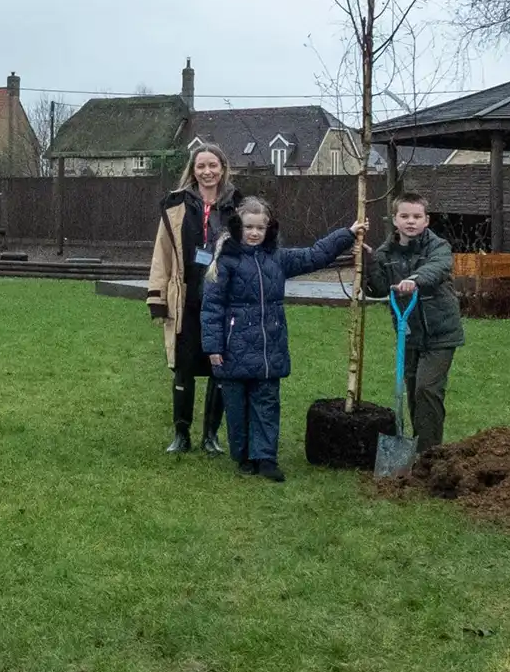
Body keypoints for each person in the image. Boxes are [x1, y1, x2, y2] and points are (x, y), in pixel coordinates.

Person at [201, 199, 365, 481]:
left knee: (266, 403)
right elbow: (212, 307)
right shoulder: (224, 261)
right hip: (233, 346)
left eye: (260, 228)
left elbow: (315, 255)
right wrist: (213, 346)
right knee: (237, 408)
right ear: (239, 227)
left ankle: (266, 457)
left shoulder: (278, 258)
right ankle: (242, 456)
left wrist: (347, 234)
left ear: (269, 229)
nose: (254, 233)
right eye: (249, 227)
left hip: (269, 347)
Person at [147, 144, 242, 454]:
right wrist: (157, 297)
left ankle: (211, 436)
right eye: (201, 166)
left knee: (220, 367)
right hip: (185, 299)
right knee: (183, 367)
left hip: (222, 301)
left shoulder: (239, 206)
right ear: (193, 170)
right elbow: (162, 254)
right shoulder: (175, 206)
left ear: (223, 168)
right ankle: (181, 434)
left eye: (213, 165)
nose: (207, 172)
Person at [362, 193, 462, 453]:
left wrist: (415, 279)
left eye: (417, 217)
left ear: (426, 220)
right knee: (414, 392)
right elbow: (380, 287)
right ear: (394, 220)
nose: (411, 222)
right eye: (404, 216)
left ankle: (428, 454)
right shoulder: (386, 253)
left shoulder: (438, 246)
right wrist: (368, 261)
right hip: (409, 334)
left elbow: (438, 268)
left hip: (440, 332)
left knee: (427, 390)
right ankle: (420, 446)